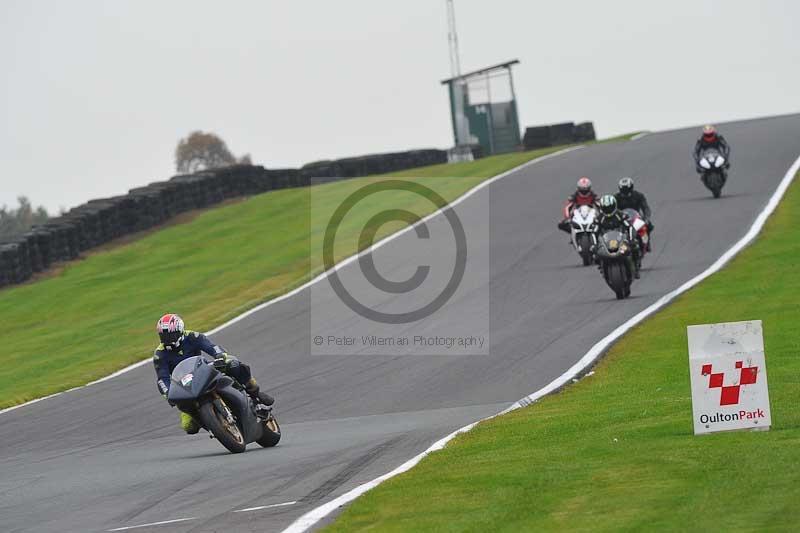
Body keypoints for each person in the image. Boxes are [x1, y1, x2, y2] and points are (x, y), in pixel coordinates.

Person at [153, 313, 274, 434]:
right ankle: (211, 424)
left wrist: (220, 356)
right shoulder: (160, 354)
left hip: (202, 369)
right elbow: (162, 379)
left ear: (180, 330)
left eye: (170, 335)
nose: (167, 339)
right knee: (188, 427)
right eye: (163, 336)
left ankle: (255, 394)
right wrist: (168, 393)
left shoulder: (192, 336)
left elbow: (211, 347)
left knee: (233, 363)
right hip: (184, 384)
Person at [595, 194, 640, 279]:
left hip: (621, 241)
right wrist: (594, 244)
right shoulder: (599, 218)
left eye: (610, 208)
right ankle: (601, 267)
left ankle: (636, 267)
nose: (608, 210)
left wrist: (631, 239)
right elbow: (594, 232)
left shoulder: (620, 215)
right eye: (606, 208)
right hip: (606, 242)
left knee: (635, 246)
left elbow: (629, 227)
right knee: (595, 254)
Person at [615, 177, 653, 251]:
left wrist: (646, 218)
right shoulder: (616, 197)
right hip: (622, 219)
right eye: (623, 190)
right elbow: (612, 208)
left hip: (635, 217)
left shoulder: (638, 196)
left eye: (627, 189)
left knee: (648, 226)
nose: (625, 192)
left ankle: (646, 243)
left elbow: (645, 208)